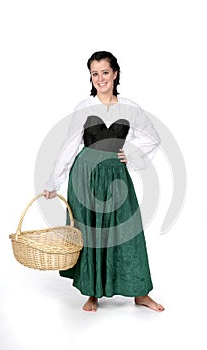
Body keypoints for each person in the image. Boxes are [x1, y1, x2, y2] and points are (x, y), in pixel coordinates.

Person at [43, 51, 164, 313]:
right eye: (94, 74)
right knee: (90, 233)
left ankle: (140, 293)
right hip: (85, 176)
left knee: (127, 231)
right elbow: (69, 145)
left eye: (105, 72)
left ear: (115, 73)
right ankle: (92, 293)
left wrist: (130, 153)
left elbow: (153, 137)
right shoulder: (84, 107)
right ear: (90, 77)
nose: (100, 78)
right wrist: (54, 182)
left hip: (116, 177)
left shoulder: (129, 107)